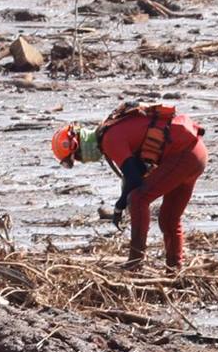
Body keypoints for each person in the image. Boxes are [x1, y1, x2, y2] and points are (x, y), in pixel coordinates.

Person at [51, 103, 207, 269]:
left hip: (184, 156)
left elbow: (134, 181)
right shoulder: (109, 129)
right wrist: (122, 203)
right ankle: (175, 270)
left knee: (139, 199)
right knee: (168, 219)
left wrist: (119, 206)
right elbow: (136, 172)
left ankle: (135, 261)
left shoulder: (109, 139)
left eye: (77, 157)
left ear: (77, 145)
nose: (82, 160)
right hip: (197, 154)